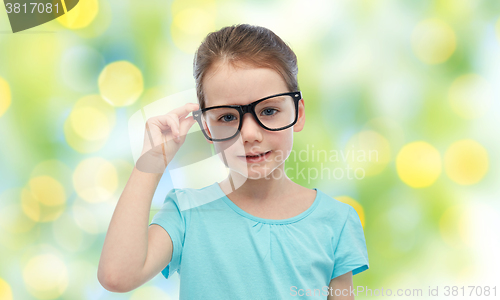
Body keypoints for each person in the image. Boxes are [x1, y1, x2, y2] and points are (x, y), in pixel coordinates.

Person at [98, 24, 369, 299]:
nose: (249, 134)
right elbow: (117, 276)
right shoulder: (186, 214)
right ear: (206, 127)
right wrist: (152, 161)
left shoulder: (337, 220)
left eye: (269, 110)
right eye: (227, 117)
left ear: (297, 114)